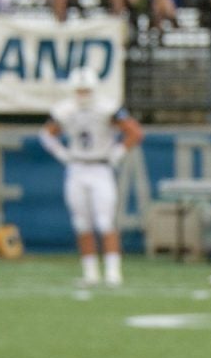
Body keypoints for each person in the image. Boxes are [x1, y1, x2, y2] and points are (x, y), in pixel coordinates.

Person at [42, 68, 143, 286]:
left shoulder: (108, 107)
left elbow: (134, 131)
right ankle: (90, 273)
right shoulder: (65, 109)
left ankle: (113, 272)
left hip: (100, 168)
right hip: (77, 167)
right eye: (79, 90)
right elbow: (46, 134)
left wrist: (118, 152)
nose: (83, 94)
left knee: (105, 221)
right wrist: (62, 153)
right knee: (81, 222)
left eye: (86, 90)